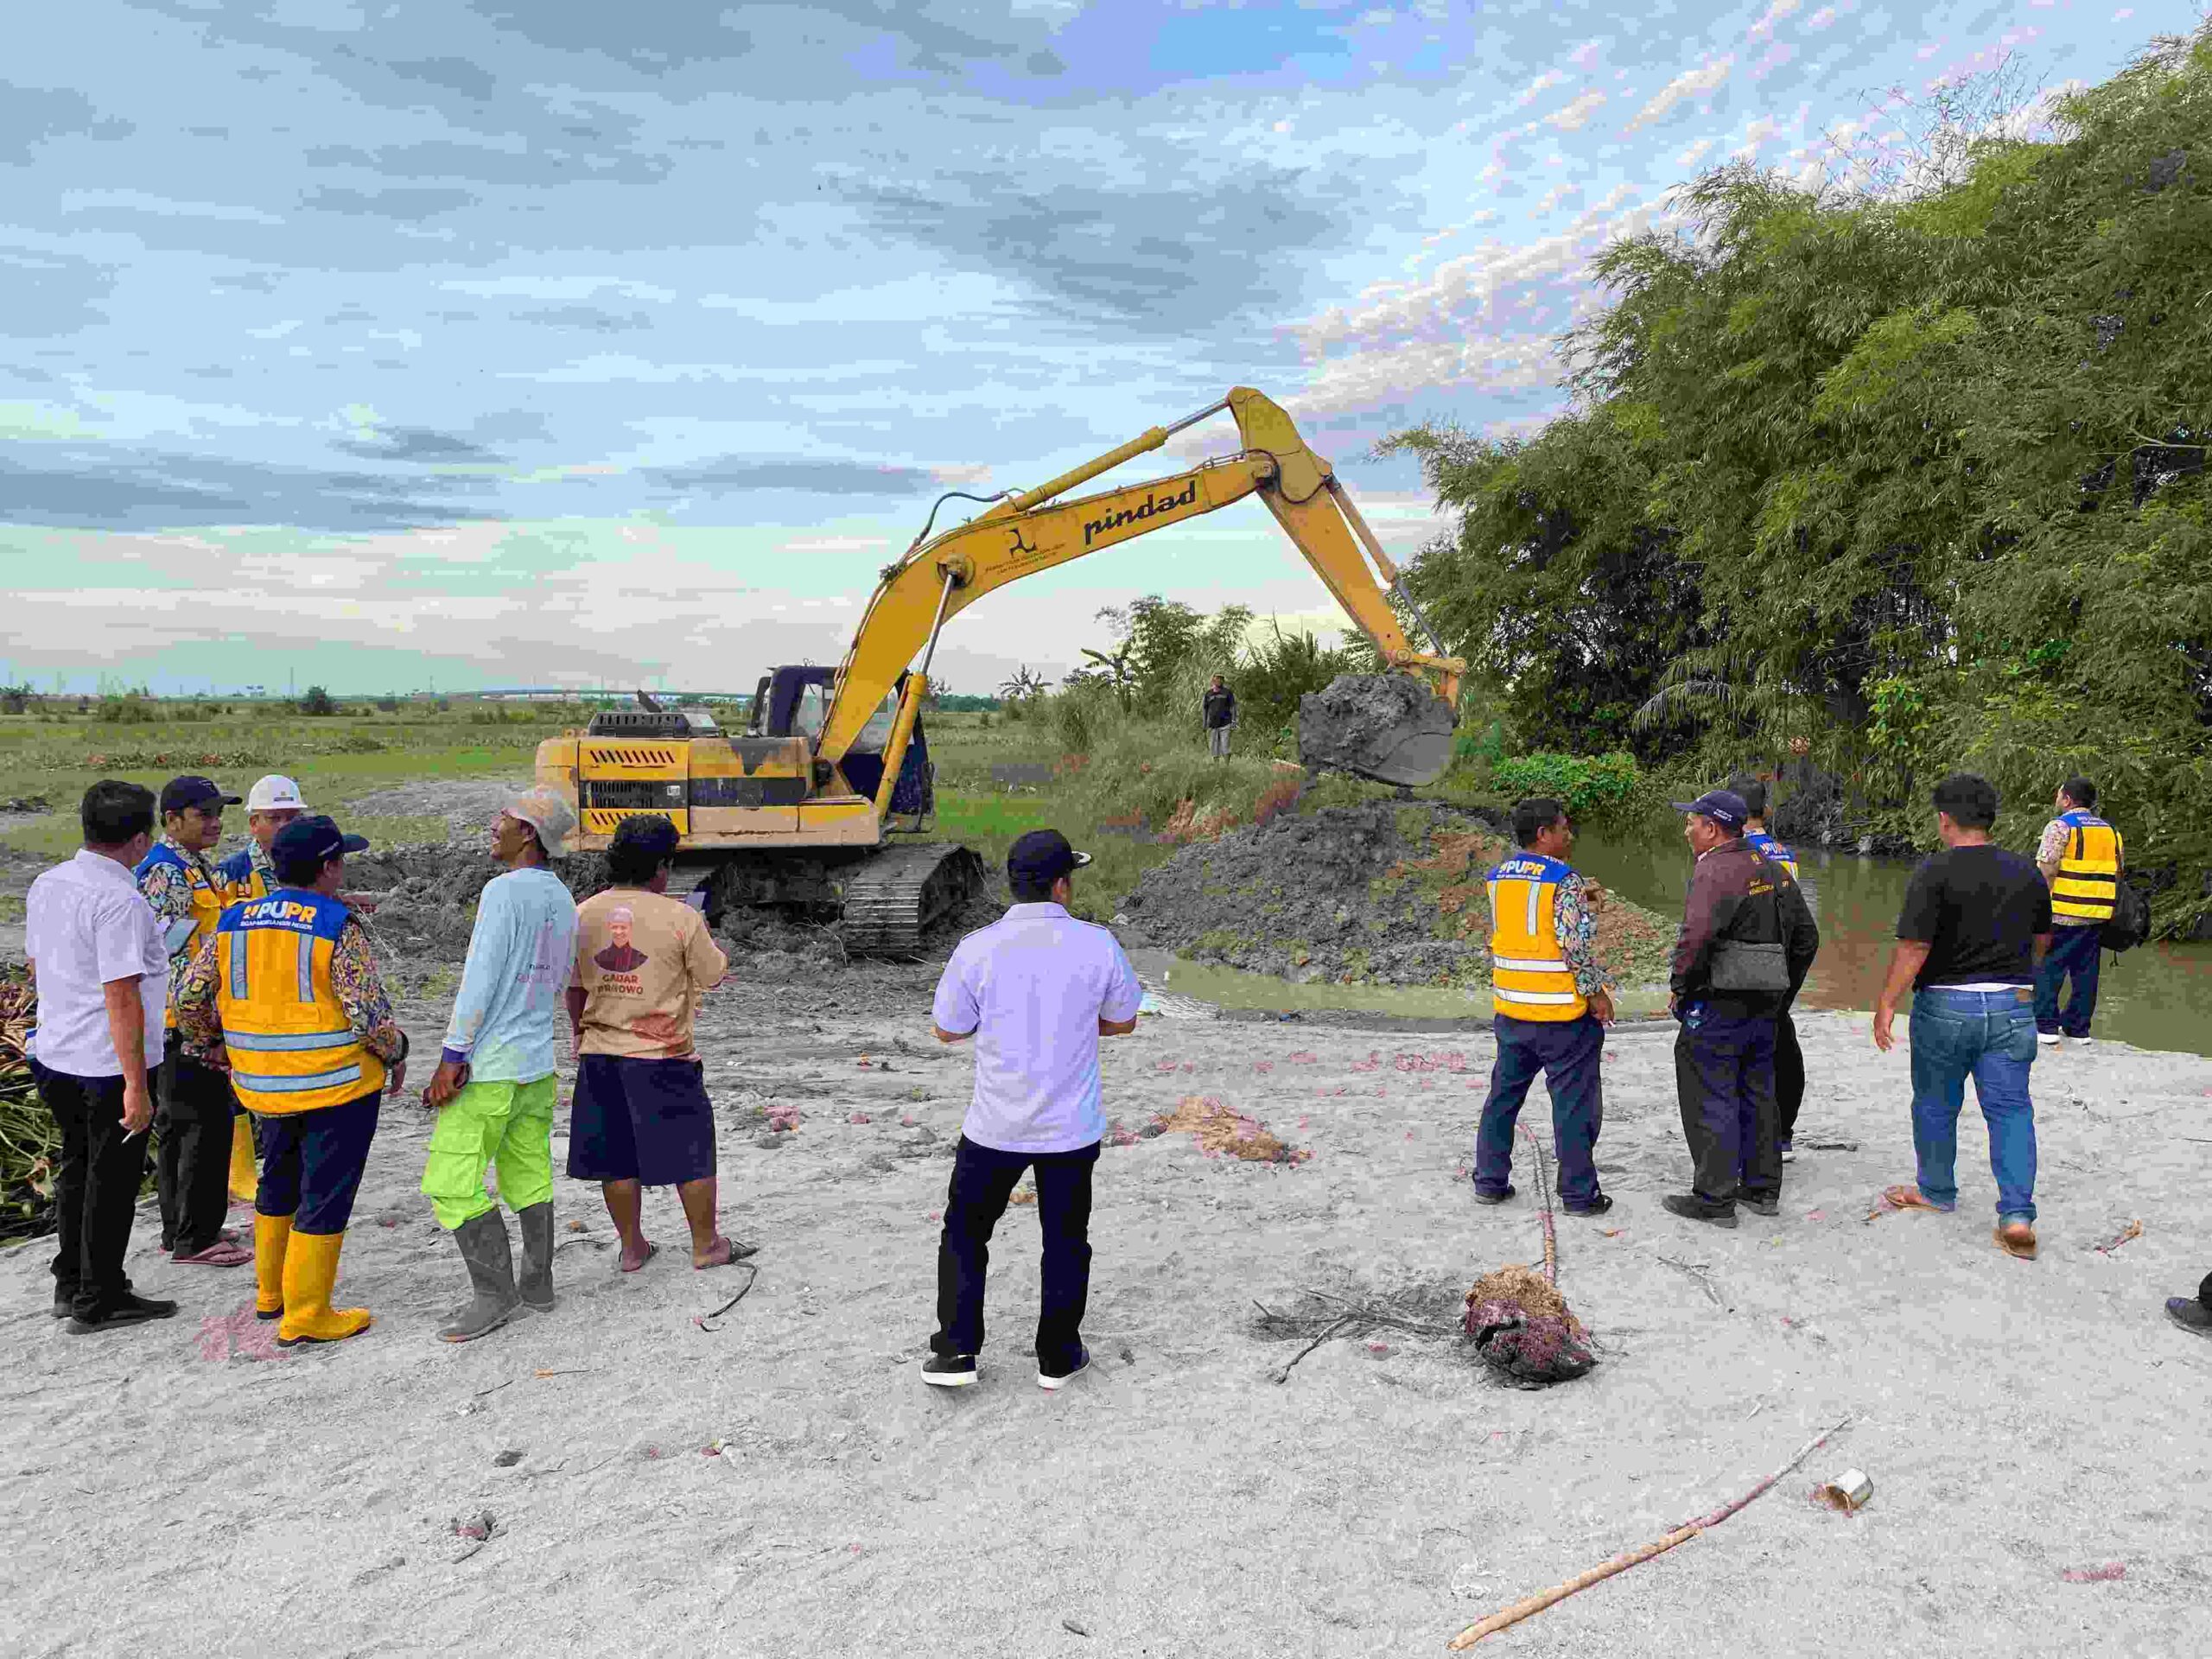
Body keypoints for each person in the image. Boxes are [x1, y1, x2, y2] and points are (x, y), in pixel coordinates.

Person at [922, 829, 1143, 1390]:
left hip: (995, 1125)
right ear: (1063, 886)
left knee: (966, 1234)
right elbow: (1124, 1020)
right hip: (1070, 1129)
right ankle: (1058, 1356)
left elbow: (948, 1029)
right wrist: (1073, 1023)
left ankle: (956, 1353)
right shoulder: (1098, 945)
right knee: (1066, 1239)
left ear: (1012, 886)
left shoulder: (977, 948)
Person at [175, 816, 408, 1344]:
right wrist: (396, 1054)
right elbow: (367, 1014)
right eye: (341, 861)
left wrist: (208, 1043)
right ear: (328, 868)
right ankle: (307, 1314)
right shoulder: (334, 924)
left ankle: (270, 1294)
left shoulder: (233, 920)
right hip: (337, 1085)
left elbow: (188, 996)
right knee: (325, 1191)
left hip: (264, 1085)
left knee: (277, 1178)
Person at [418, 790, 580, 1342]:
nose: (494, 826)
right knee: (528, 1170)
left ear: (528, 833)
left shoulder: (503, 892)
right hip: (537, 1063)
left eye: (504, 820)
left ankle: (494, 1295)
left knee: (451, 1180)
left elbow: (479, 981)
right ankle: (538, 1284)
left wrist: (451, 1057)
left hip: (490, 1066)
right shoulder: (562, 896)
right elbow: (556, 981)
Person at [1872, 773, 2050, 1260]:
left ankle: (1936, 1192)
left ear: (1945, 819)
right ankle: (2016, 1216)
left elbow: (1914, 946)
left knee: (1934, 1102)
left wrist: (1887, 1002)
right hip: (2014, 1005)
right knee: (2011, 1109)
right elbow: (2040, 942)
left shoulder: (1934, 872)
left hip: (1946, 1006)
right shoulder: (2027, 873)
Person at [24, 782, 178, 1333]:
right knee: (109, 1181)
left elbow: (38, 968)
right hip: (104, 1064)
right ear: (140, 840)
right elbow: (122, 995)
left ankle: (71, 1283)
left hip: (57, 1054)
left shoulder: (48, 883)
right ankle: (100, 1299)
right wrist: (136, 1086)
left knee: (77, 1168)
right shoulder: (121, 901)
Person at [566, 813, 750, 1274]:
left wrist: (579, 1031)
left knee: (614, 1156)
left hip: (600, 1055)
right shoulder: (680, 917)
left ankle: (632, 1248)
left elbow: (574, 988)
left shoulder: (584, 913)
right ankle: (706, 1245)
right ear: (663, 867)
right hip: (662, 1055)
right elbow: (714, 975)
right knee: (690, 1150)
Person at [1661, 790, 1819, 1229]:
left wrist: (1680, 986)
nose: (1687, 829)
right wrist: (1782, 993)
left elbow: (1696, 937)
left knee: (1708, 1092)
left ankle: (1714, 1199)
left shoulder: (1714, 869)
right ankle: (1762, 1189)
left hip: (1719, 1003)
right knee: (1758, 1093)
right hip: (1765, 1005)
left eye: (1692, 821)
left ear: (1712, 829)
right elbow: (1807, 936)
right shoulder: (1768, 867)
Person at [1470, 797, 1616, 1216]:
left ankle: (1490, 1181)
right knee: (1572, 1105)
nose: (1568, 835)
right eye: (1563, 827)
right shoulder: (1563, 880)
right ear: (1543, 834)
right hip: (1560, 1017)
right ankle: (1578, 1195)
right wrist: (1597, 995)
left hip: (1513, 1009)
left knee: (1503, 1098)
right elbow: (1573, 946)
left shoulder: (1498, 877)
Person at [136, 775, 251, 1268]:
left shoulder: (195, 866)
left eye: (217, 812)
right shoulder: (165, 873)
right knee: (199, 1127)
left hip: (191, 1017)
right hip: (181, 1021)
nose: (215, 822)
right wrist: (200, 1026)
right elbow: (169, 957)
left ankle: (187, 1226)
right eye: (204, 814)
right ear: (172, 820)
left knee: (190, 1128)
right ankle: (193, 1238)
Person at [1737, 780, 1814, 1164]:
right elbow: (1798, 923)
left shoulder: (1728, 854)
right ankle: (1782, 1133)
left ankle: (1753, 1136)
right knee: (1782, 1042)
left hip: (1745, 968)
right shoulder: (1785, 855)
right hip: (1781, 966)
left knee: (1745, 1053)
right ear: (1764, 811)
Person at [2033, 778, 2122, 1047]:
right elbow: (2117, 871)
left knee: (2050, 967)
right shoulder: (2110, 831)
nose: (2057, 798)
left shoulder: (2060, 827)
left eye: (2059, 794)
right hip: (2097, 912)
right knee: (2086, 972)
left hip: (2062, 909)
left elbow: (2047, 869)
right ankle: (2078, 1029)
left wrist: (2037, 904)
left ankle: (2046, 1026)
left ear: (2068, 799)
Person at [1202, 674, 1236, 760]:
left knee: (1225, 747)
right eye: (1217, 679)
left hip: (1226, 724)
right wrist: (1205, 723)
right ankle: (1216, 768)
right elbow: (1205, 709)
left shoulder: (1227, 693)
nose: (1219, 681)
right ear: (1213, 681)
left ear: (1223, 681)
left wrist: (1234, 721)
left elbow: (1233, 707)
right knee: (1214, 748)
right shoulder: (1209, 694)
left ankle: (1227, 766)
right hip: (1213, 725)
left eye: (1221, 679)